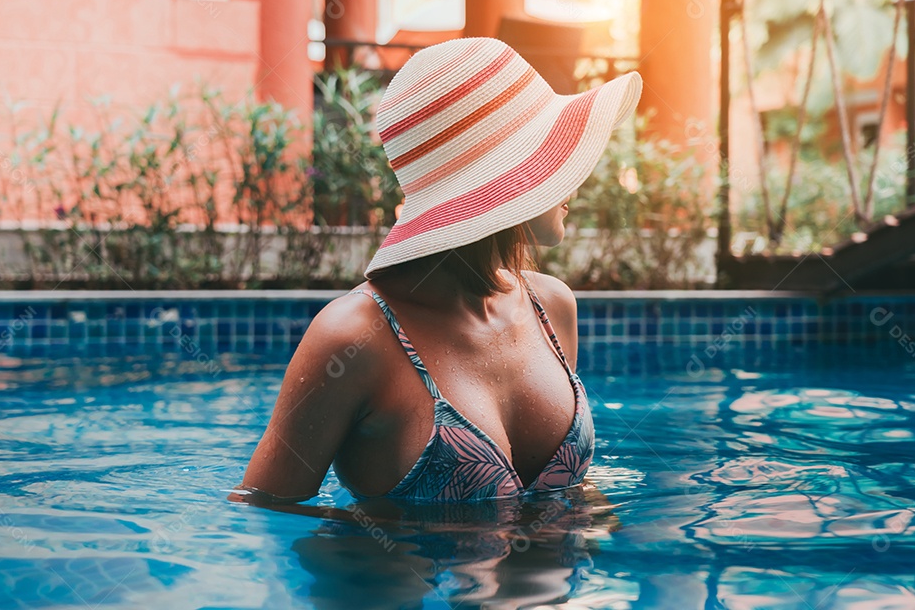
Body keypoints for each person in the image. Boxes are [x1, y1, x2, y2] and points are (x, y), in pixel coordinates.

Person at [238, 36, 642, 503]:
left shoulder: (551, 306)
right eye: (547, 155)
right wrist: (370, 539)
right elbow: (261, 509)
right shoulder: (355, 338)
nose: (573, 176)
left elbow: (564, 498)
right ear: (506, 179)